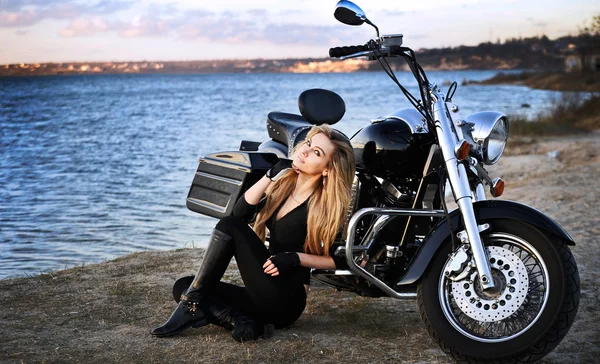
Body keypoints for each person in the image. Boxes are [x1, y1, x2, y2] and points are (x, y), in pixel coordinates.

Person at [151, 124, 356, 341]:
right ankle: (241, 321)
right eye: (308, 143)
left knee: (227, 231)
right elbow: (239, 213)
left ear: (327, 169)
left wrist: (295, 258)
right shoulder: (283, 186)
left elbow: (340, 260)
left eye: (317, 152)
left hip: (287, 300)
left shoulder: (325, 206)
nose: (304, 151)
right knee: (183, 286)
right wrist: (269, 175)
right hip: (262, 289)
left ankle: (189, 308)